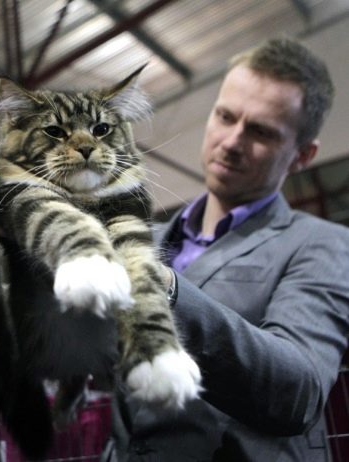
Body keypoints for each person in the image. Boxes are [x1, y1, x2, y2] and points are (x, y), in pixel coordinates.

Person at [107, 37, 349, 461]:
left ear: (302, 156)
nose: (232, 141)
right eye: (225, 116)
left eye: (261, 131)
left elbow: (298, 393)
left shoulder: (323, 244)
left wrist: (162, 287)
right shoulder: (148, 238)